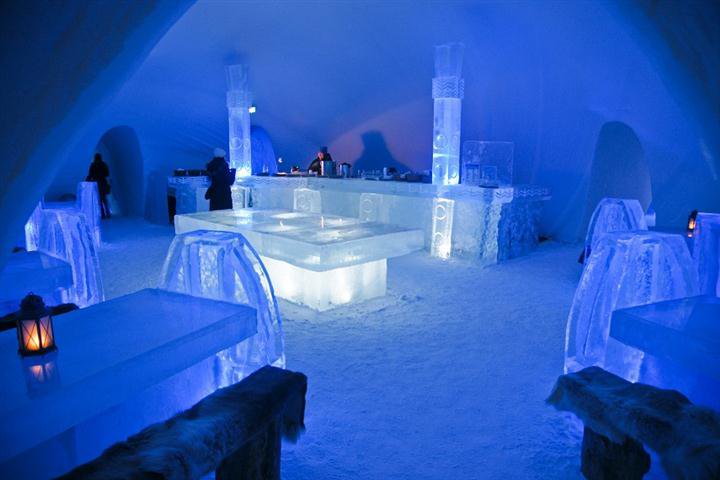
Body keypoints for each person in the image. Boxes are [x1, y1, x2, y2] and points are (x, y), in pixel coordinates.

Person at [86, 153, 111, 219]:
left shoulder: (93, 165)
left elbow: (90, 174)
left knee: (98, 199)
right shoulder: (103, 164)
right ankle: (108, 212)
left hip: (96, 183)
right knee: (104, 198)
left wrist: (87, 180)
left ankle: (102, 213)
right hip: (103, 182)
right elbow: (107, 173)